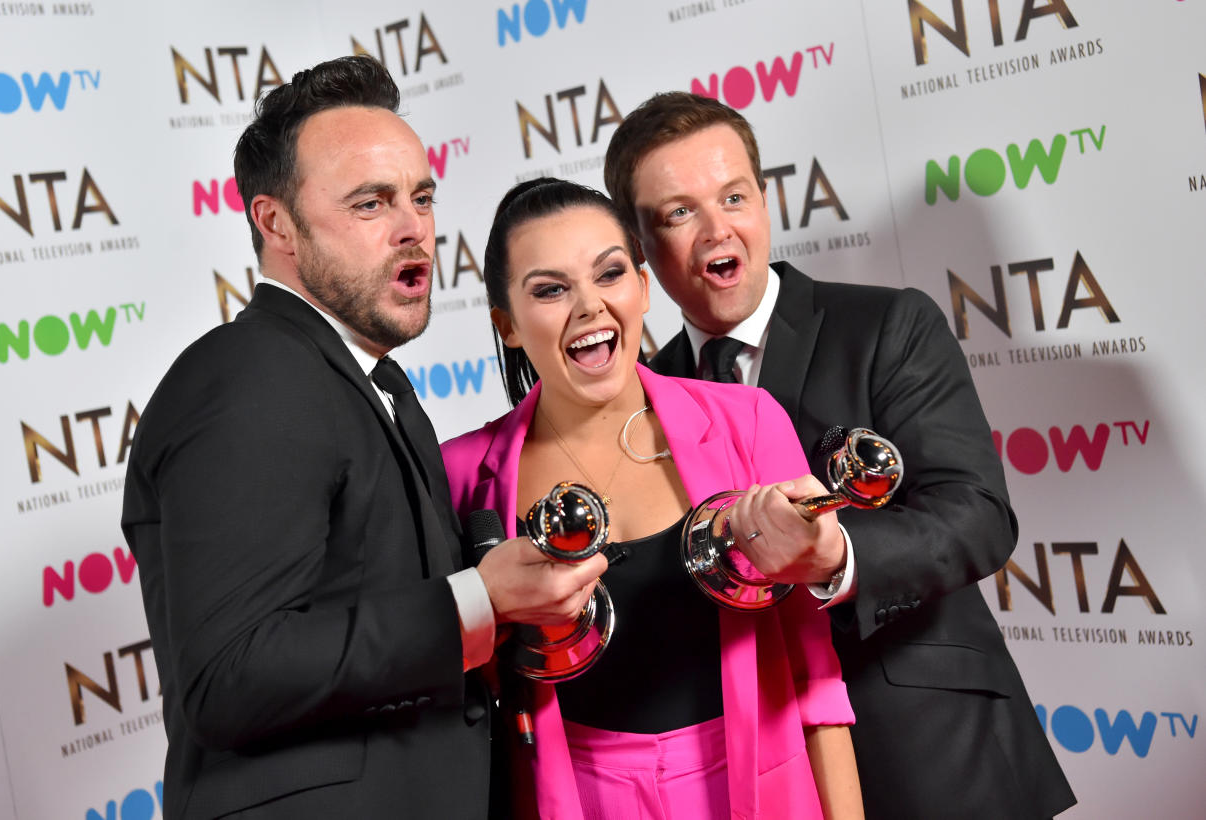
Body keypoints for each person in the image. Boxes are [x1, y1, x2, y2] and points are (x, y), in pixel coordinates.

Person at [120, 56, 606, 819]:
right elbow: (229, 674)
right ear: (274, 222)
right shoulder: (248, 376)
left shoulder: (371, 383)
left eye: (421, 196)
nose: (415, 229)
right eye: (371, 203)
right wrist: (476, 600)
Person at [603, 91, 1077, 819]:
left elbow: (977, 513)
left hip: (927, 748)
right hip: (755, 768)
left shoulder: (888, 325)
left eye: (733, 196)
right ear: (638, 248)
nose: (715, 229)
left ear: (763, 200)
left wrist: (835, 557)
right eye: (677, 213)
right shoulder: (643, 398)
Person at [441, 177, 863, 820]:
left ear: (641, 286)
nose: (589, 307)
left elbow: (814, 671)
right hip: (575, 798)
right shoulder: (465, 471)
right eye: (551, 290)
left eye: (609, 274)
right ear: (508, 324)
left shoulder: (747, 420)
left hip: (758, 786)